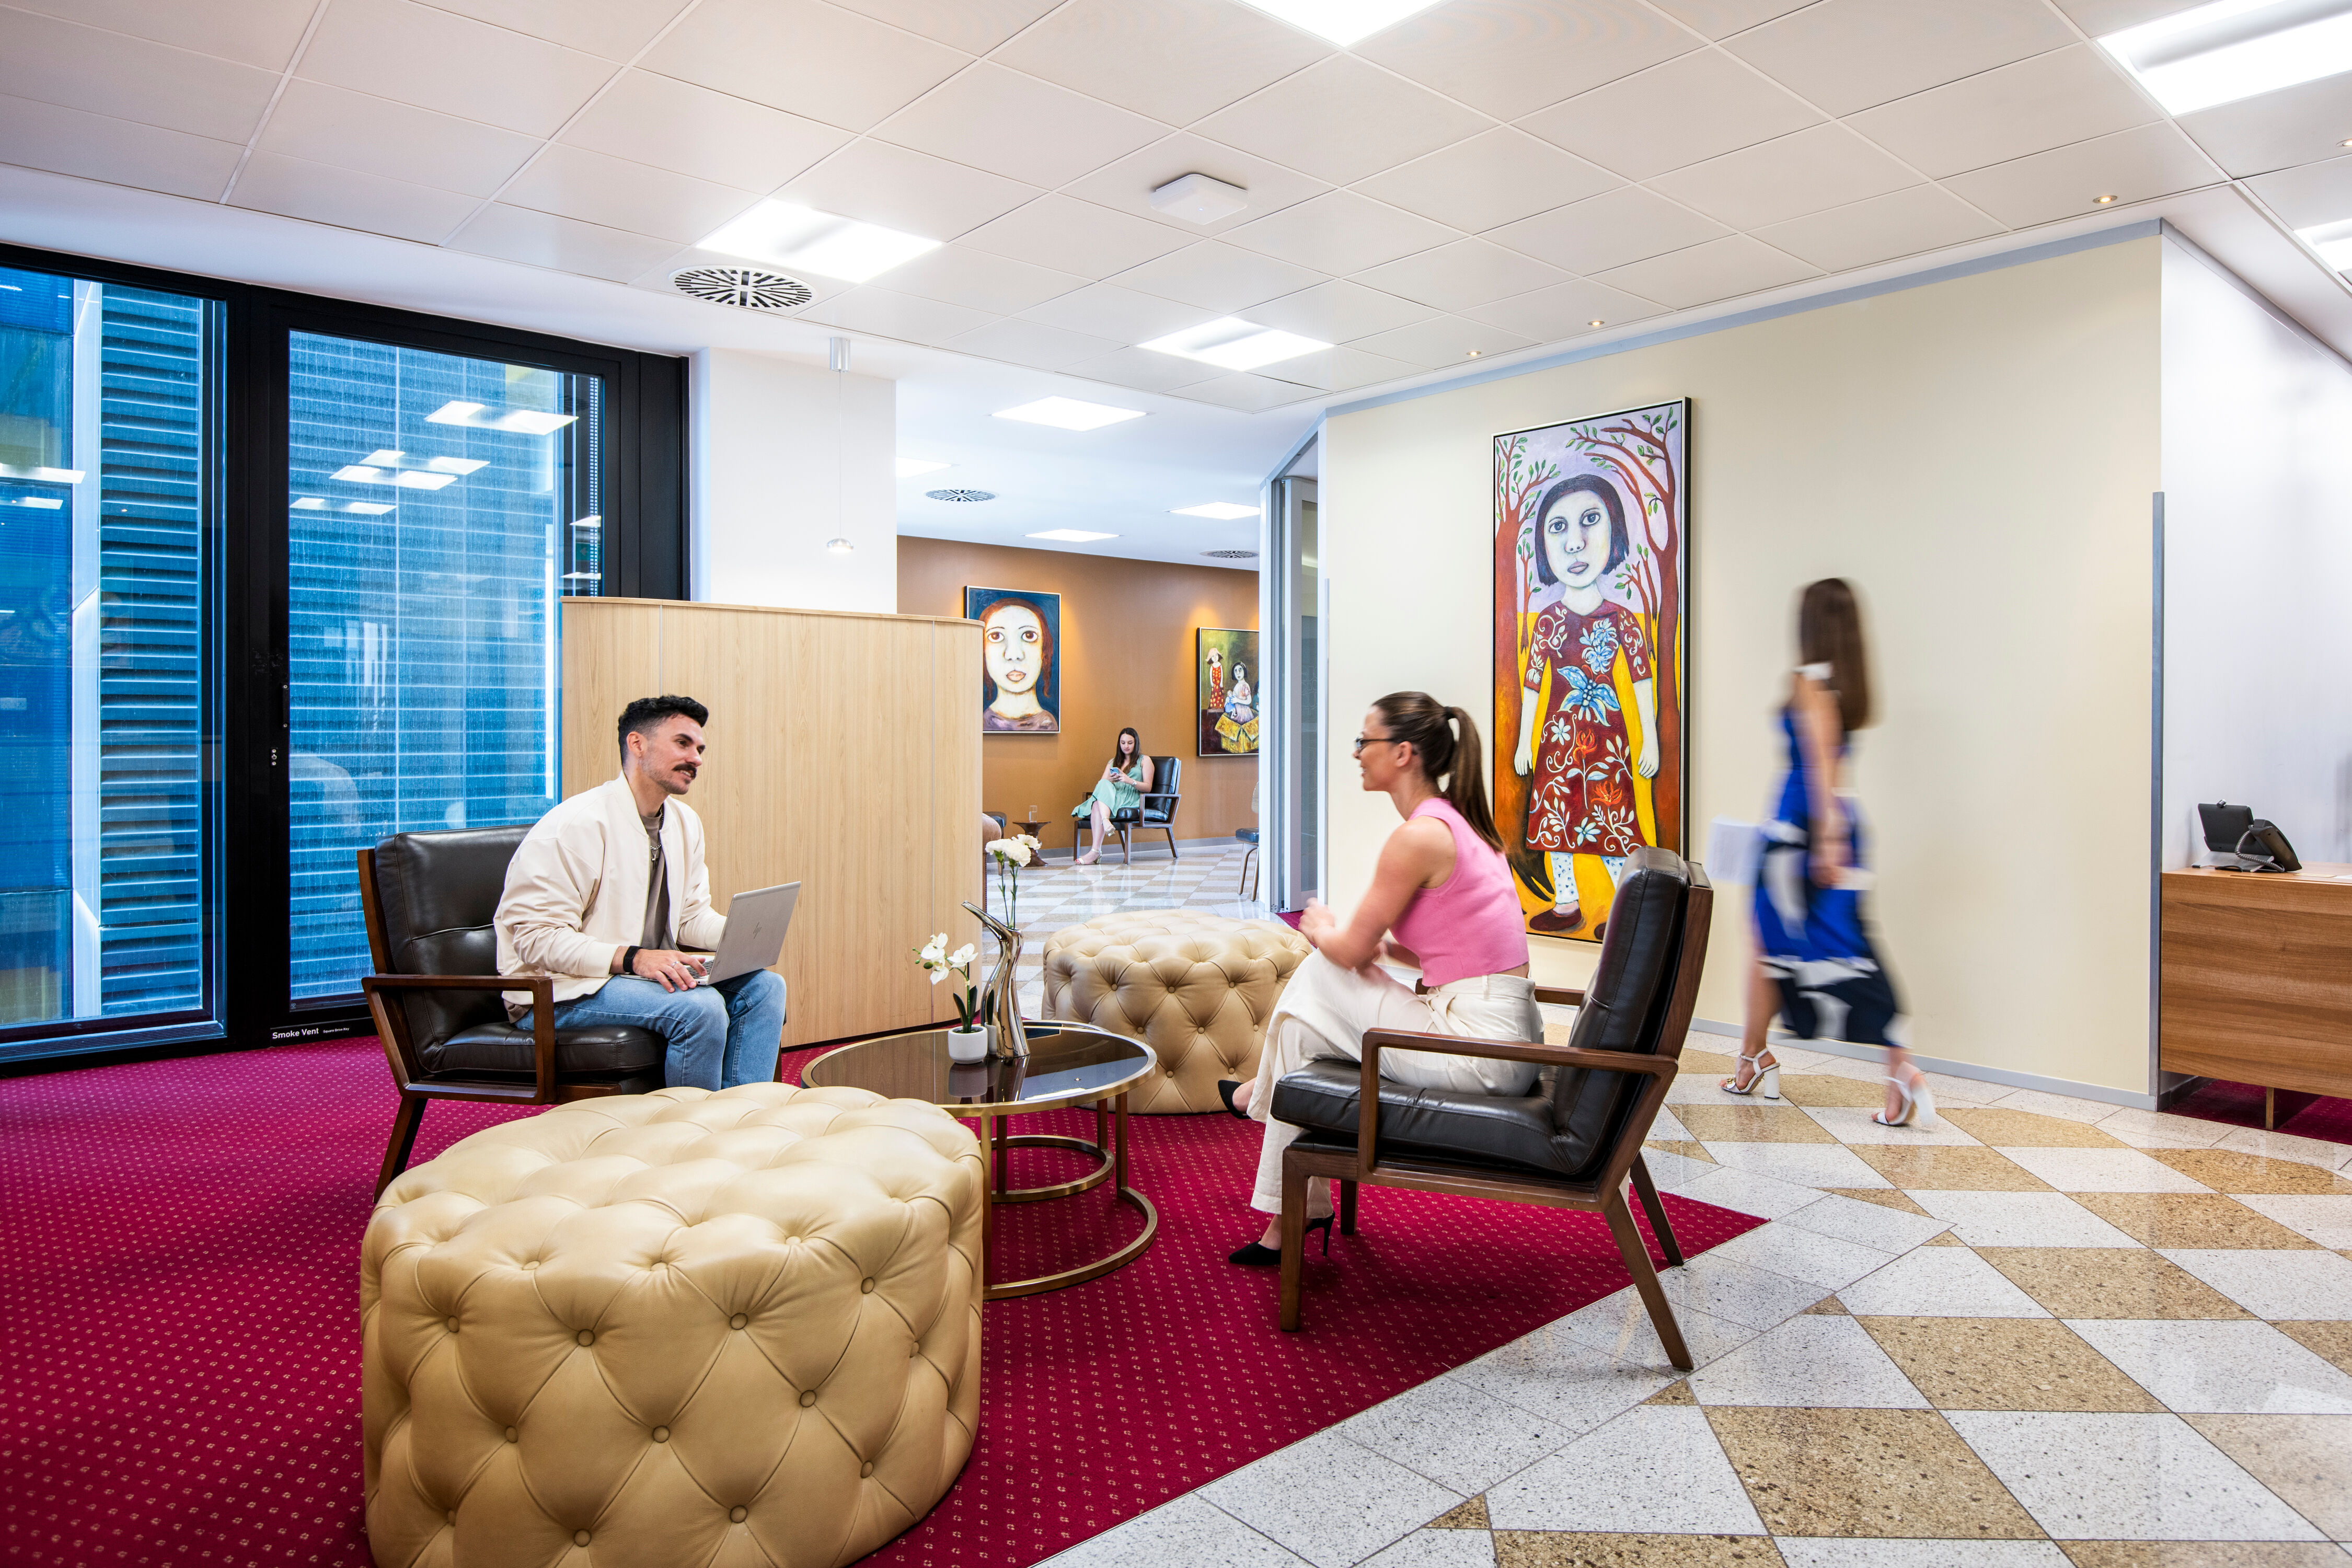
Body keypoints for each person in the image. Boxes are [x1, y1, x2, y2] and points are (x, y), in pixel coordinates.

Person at [1219, 691, 1540, 1265]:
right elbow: (1462, 949)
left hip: (1479, 1049)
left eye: (1365, 741)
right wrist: (1372, 948)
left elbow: (1342, 952)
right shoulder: (1457, 825)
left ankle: (1258, 1096)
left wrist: (1318, 924)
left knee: (1319, 970)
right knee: (1300, 1032)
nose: (1356, 753)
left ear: (1403, 753)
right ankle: (1289, 1215)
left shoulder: (1419, 836)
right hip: (1497, 1029)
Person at [495, 694, 786, 1091]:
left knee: (766, 987)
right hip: (559, 990)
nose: (697, 759)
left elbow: (689, 917)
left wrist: (743, 935)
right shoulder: (576, 825)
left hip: (637, 977)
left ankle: (740, 1121)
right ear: (638, 745)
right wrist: (635, 958)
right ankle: (687, 1132)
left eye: (700, 749)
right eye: (683, 744)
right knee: (699, 1009)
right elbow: (536, 940)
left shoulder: (684, 822)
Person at [1720, 580, 1929, 1127]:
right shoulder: (1841, 685)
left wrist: (1826, 842)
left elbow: (1816, 766)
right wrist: (1836, 834)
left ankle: (1755, 1059)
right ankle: (1893, 1070)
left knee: (1782, 943)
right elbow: (1835, 770)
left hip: (1800, 835)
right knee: (1835, 946)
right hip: (1826, 827)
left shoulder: (1809, 682)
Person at [1513, 475, 1659, 936]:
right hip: (1558, 741)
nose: (1574, 543)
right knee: (1558, 821)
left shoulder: (1623, 620)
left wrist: (1649, 740)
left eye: (1590, 522)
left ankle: (1622, 909)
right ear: (1544, 546)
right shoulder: (1549, 622)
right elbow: (1533, 686)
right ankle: (1566, 903)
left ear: (1613, 533)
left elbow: (1641, 681)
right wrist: (1523, 743)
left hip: (1607, 741)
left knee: (1611, 822)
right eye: (1558, 528)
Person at [1071, 727, 1152, 867]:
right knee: (1102, 786)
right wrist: (1111, 780)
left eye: (1130, 743)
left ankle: (1096, 849)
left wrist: (1129, 780)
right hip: (1113, 797)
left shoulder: (1145, 760)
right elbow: (1102, 785)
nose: (1126, 746)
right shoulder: (1113, 762)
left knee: (1097, 805)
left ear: (1136, 743)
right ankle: (1101, 835)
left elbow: (1148, 787)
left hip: (1131, 798)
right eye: (1123, 743)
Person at [979, 598, 1057, 731]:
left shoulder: (1050, 725)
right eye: (996, 636)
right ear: (984, 651)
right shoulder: (979, 724)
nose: (1014, 655)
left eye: (1029, 636)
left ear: (1044, 651)